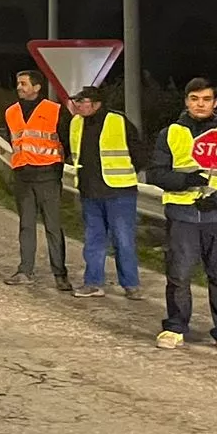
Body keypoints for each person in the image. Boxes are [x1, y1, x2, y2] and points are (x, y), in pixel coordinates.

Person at [147, 78, 217, 354]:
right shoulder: (169, 133)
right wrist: (184, 181)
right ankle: (175, 327)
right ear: (186, 101)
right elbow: (156, 173)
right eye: (195, 99)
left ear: (215, 103)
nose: (200, 104)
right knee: (179, 275)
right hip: (182, 214)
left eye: (206, 99)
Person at [66, 85, 146, 300]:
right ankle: (93, 283)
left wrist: (129, 173)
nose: (78, 106)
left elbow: (138, 152)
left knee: (123, 240)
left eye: (82, 102)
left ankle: (130, 284)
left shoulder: (118, 120)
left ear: (96, 103)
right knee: (93, 240)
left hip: (119, 191)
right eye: (77, 103)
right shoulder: (76, 123)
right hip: (89, 192)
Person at [3, 69, 69, 289]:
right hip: (23, 175)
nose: (19, 87)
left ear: (37, 87)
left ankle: (60, 275)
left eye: (23, 83)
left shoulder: (55, 110)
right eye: (18, 83)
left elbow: (66, 142)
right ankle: (25, 270)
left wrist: (58, 168)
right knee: (26, 226)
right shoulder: (11, 112)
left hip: (48, 175)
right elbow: (12, 141)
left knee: (53, 226)